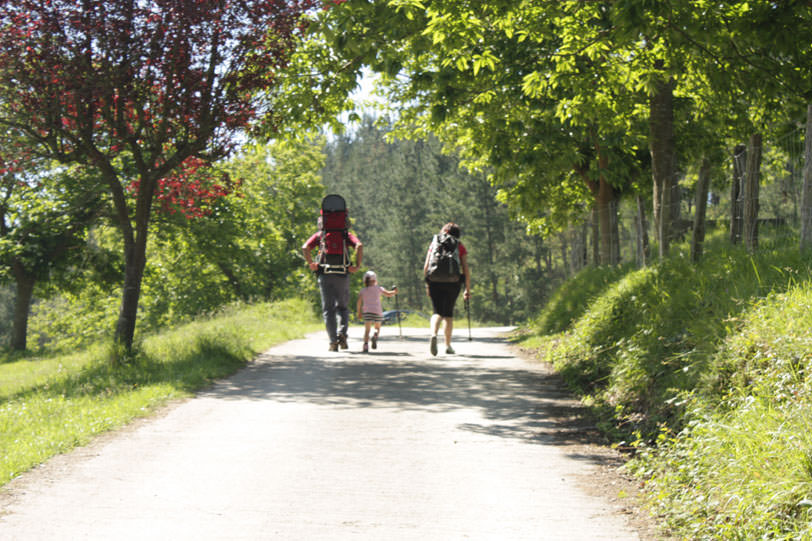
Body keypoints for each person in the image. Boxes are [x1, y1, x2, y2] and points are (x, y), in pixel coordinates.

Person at [303, 223, 363, 351]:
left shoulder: (320, 235)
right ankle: (342, 332)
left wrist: (311, 264)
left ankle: (333, 342)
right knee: (342, 308)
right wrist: (357, 266)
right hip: (343, 274)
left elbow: (305, 247)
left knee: (328, 310)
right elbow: (359, 245)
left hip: (325, 275)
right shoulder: (346, 235)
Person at [423, 222, 471, 355]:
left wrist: (427, 283)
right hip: (453, 282)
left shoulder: (435, 243)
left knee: (436, 311)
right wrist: (467, 289)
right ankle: (448, 345)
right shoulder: (459, 245)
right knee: (448, 314)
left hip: (434, 280)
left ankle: (433, 334)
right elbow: (465, 269)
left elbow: (426, 266)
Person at [356, 271, 397, 353]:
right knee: (377, 328)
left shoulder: (363, 290)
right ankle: (375, 335)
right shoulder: (379, 288)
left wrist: (359, 312)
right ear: (375, 280)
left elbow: (359, 302)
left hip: (367, 312)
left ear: (365, 281)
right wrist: (394, 292)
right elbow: (388, 294)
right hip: (377, 312)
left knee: (367, 330)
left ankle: (365, 345)